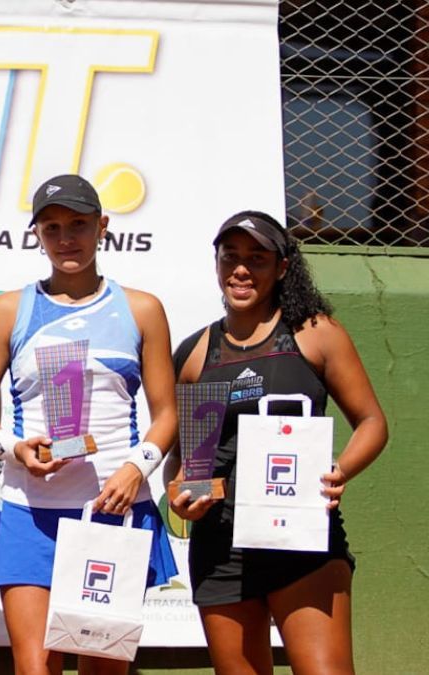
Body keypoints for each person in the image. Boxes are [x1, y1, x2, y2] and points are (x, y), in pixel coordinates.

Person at [0, 175, 179, 675]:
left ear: (102, 226)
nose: (66, 239)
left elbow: (166, 414)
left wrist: (136, 468)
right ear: (36, 233)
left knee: (103, 668)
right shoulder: (8, 310)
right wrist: (12, 449)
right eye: (52, 227)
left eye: (78, 225)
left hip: (112, 511)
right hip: (27, 514)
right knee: (36, 668)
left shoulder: (141, 309)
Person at [169, 211, 387, 674]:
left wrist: (339, 473)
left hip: (302, 539)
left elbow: (371, 422)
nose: (241, 269)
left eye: (257, 258)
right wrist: (186, 495)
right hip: (222, 549)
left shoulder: (314, 334)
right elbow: (189, 463)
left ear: (282, 267)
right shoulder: (195, 354)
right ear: (217, 263)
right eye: (230, 257)